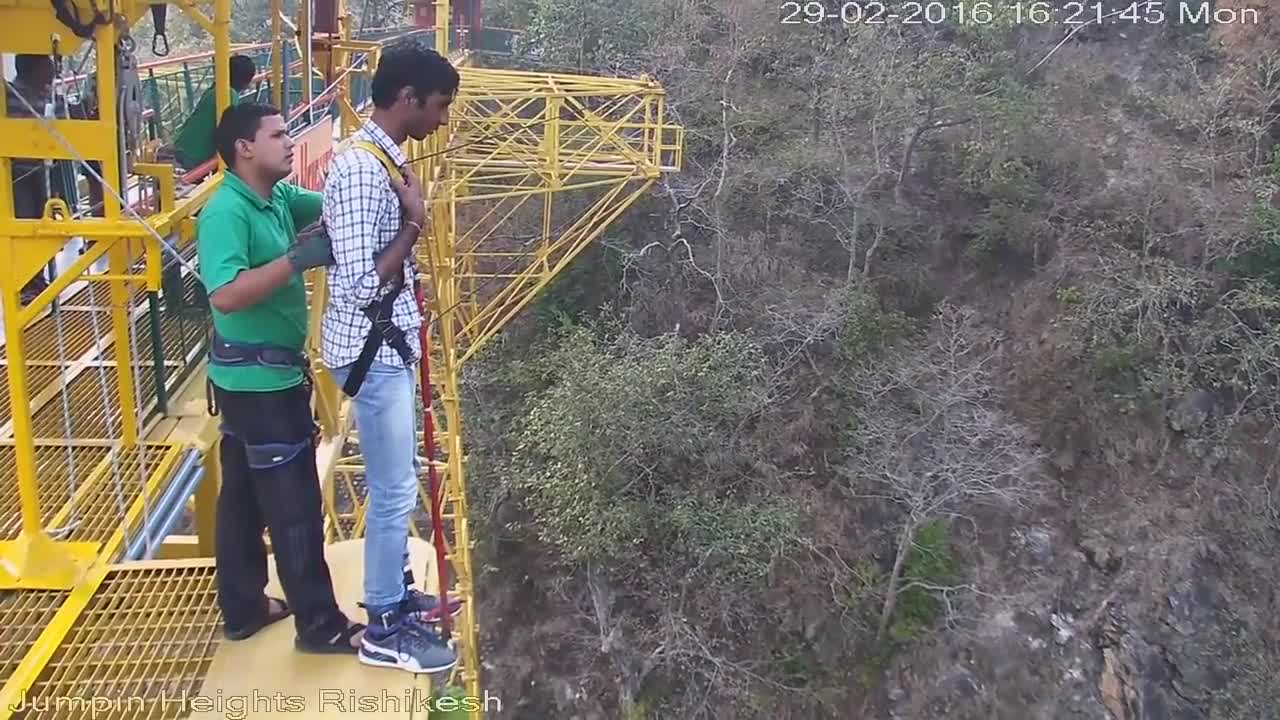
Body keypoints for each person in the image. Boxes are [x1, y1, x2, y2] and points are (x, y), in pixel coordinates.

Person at [196, 101, 364, 654]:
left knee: (242, 498)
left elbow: (336, 202)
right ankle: (320, 627)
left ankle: (243, 607)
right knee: (294, 508)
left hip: (253, 383)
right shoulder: (227, 212)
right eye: (278, 134)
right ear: (245, 147)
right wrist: (296, 260)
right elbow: (224, 294)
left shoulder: (276, 198)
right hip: (261, 386)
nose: (290, 143)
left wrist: (364, 173)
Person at [320, 43, 462, 674]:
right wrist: (413, 223)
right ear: (407, 98)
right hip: (370, 350)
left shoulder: (384, 159)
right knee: (395, 486)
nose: (442, 120)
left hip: (385, 345)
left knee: (397, 477)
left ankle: (395, 594)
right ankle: (383, 621)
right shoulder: (359, 169)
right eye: (438, 106)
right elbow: (357, 284)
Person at [172, 54, 257, 170]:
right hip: (193, 154)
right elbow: (230, 129)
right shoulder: (227, 93)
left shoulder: (215, 89)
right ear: (246, 80)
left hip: (183, 147)